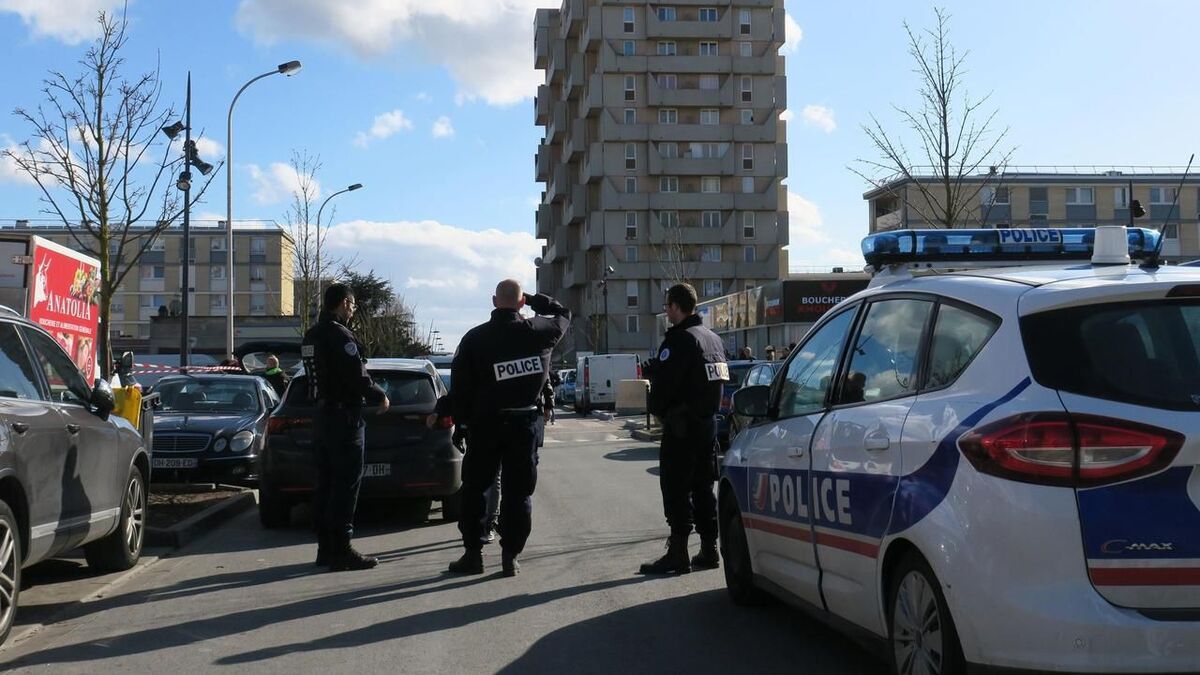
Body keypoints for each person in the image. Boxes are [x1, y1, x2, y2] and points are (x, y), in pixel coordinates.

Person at [448, 280, 571, 577]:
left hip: (485, 424)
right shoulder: (539, 332)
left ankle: (473, 555)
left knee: (476, 489)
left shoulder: (475, 339)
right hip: (523, 423)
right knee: (519, 493)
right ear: (520, 304)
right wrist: (532, 299)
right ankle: (510, 556)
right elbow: (563, 312)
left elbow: (461, 389)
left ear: (493, 301)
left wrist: (460, 424)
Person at [639, 283, 727, 575]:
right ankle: (709, 548)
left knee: (676, 489)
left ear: (676, 306)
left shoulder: (680, 340)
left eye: (667, 306)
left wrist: (655, 389)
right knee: (703, 489)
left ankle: (678, 553)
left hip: (681, 428)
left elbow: (665, 390)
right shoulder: (713, 340)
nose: (666, 311)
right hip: (707, 427)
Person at [302, 283, 390, 571]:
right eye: (352, 304)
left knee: (325, 483)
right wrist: (379, 394)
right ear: (342, 303)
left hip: (322, 417)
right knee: (345, 485)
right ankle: (342, 548)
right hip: (344, 419)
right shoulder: (340, 335)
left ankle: (325, 548)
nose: (353, 309)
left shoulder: (312, 334)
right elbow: (356, 375)